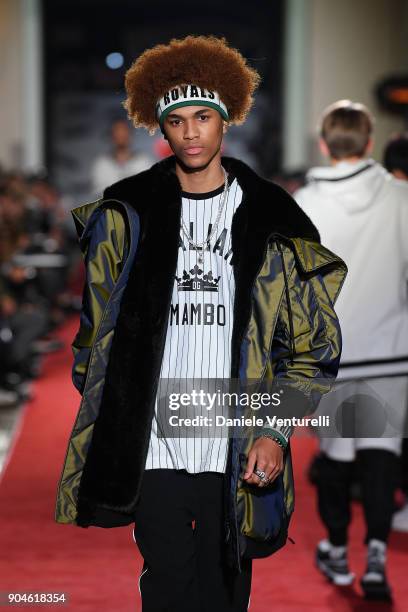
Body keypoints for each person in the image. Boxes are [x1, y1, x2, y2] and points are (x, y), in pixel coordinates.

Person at [55, 36, 347, 611]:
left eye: (203, 117)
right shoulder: (127, 214)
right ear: (160, 129)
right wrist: (116, 413)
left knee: (225, 592)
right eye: (177, 120)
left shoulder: (272, 219)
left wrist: (274, 430)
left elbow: (312, 346)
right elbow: (94, 337)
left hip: (234, 445)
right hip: (155, 444)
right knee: (164, 586)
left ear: (226, 122)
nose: (190, 132)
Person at [294, 100, 408, 601]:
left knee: (337, 456)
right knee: (382, 454)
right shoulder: (401, 198)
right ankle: (378, 556)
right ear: (368, 142)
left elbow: (293, 288)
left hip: (333, 352)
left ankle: (338, 550)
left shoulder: (305, 204)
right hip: (392, 349)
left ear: (323, 143)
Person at [91, 118, 153, 197]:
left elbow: (149, 191)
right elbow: (98, 194)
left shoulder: (143, 162)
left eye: (124, 133)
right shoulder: (102, 164)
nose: (121, 136)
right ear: (112, 136)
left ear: (130, 135)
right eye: (117, 133)